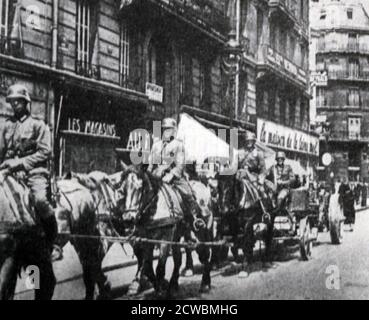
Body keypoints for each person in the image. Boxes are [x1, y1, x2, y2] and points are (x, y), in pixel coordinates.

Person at [0, 83, 56, 299]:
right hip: (8, 173)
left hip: (34, 173)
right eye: (12, 102)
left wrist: (19, 163)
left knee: (40, 201)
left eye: (19, 102)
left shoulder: (38, 125)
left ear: (27, 103)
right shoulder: (6, 126)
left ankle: (49, 238)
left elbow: (45, 153)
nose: (15, 105)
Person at [147, 117, 199, 220]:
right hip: (156, 177)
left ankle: (195, 218)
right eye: (164, 129)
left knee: (187, 194)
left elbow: (180, 165)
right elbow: (151, 163)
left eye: (169, 129)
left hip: (174, 178)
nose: (166, 131)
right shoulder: (156, 145)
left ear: (174, 130)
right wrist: (148, 173)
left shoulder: (178, 145)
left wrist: (171, 175)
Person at [233, 131, 269, 202]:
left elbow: (263, 170)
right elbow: (234, 166)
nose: (249, 142)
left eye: (251, 141)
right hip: (239, 176)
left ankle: (264, 209)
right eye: (247, 141)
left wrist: (260, 181)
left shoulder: (259, 153)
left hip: (253, 178)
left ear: (253, 142)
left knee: (261, 192)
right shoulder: (239, 152)